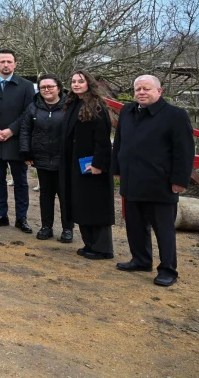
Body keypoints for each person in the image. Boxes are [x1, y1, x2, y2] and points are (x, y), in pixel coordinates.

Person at [112, 75, 194, 287]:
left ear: (159, 91)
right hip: (131, 180)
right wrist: (118, 168)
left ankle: (168, 269)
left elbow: (184, 152)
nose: (141, 92)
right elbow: (120, 143)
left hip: (161, 183)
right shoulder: (128, 112)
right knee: (135, 226)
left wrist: (180, 181)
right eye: (138, 89)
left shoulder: (175, 115)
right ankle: (140, 260)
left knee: (164, 230)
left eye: (146, 88)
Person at [61, 70, 115, 260]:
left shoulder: (97, 106)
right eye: (73, 81)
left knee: (96, 205)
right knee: (81, 203)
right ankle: (89, 243)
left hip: (93, 164)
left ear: (88, 84)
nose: (76, 84)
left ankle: (102, 248)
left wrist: (99, 164)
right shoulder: (73, 103)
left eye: (80, 81)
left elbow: (102, 139)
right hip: (75, 163)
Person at [0, 49, 35, 233]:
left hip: (16, 141)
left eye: (9, 61)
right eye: (2, 61)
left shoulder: (27, 86)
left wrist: (11, 130)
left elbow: (29, 112)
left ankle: (22, 218)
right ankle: (1, 214)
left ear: (15, 64)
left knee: (20, 182)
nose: (6, 65)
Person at [19, 74, 72, 242]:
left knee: (65, 195)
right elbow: (25, 130)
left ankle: (67, 228)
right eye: (43, 87)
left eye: (50, 87)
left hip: (64, 158)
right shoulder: (33, 107)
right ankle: (46, 226)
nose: (47, 90)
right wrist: (26, 152)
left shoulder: (69, 107)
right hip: (41, 157)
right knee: (45, 194)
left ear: (59, 88)